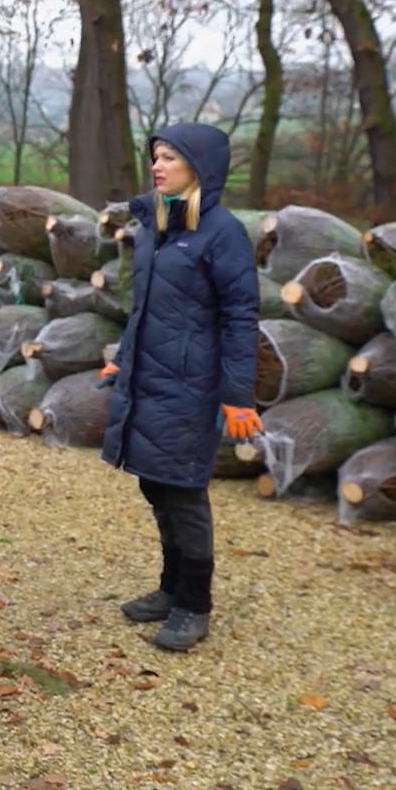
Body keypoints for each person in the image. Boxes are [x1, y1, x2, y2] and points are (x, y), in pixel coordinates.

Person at [96, 122, 262, 653]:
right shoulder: (155, 225)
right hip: (149, 379)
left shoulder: (222, 232)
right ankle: (170, 590)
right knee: (155, 484)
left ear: (201, 167)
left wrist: (237, 396)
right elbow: (145, 309)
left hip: (192, 387)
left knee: (184, 492)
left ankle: (195, 604)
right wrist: (122, 361)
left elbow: (241, 318)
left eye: (170, 157)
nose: (157, 166)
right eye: (156, 156)